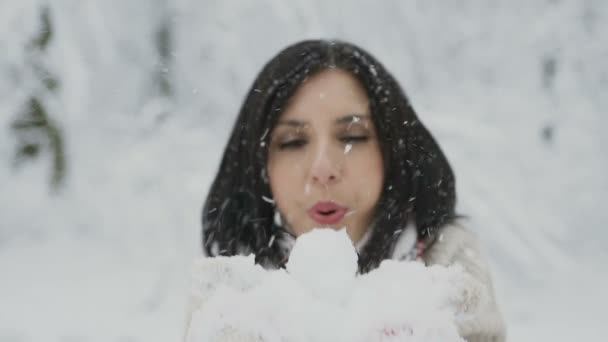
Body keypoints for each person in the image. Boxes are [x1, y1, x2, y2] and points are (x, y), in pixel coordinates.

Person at [197, 40, 506, 342]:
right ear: (259, 164)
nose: (323, 169)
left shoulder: (450, 270)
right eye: (292, 141)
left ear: (393, 148)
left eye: (353, 136)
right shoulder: (228, 291)